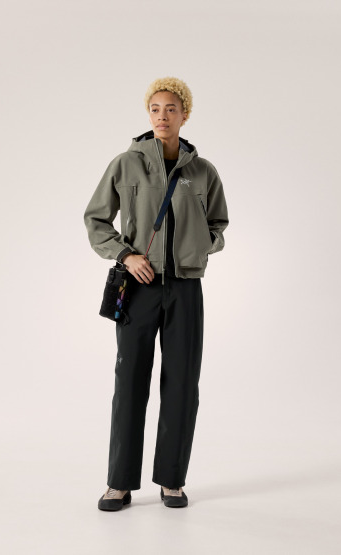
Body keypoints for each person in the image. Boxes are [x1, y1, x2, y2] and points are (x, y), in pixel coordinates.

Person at [84, 76, 229, 510]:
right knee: (130, 381)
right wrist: (126, 255)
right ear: (148, 114)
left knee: (182, 384)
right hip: (139, 287)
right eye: (155, 108)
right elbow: (96, 220)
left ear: (185, 115)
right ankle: (119, 483)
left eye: (171, 109)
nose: (162, 116)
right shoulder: (125, 164)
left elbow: (219, 225)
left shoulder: (203, 171)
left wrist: (199, 247)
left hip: (185, 288)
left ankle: (172, 480)